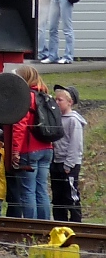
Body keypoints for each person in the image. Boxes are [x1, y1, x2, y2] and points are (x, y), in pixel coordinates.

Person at [9, 64, 54, 220]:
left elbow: (20, 125)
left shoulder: (26, 97)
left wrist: (15, 150)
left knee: (27, 191)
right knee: (41, 189)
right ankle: (45, 223)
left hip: (29, 149)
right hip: (47, 147)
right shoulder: (46, 95)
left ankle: (31, 224)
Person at [51, 84, 86, 222]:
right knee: (57, 197)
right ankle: (60, 223)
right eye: (56, 99)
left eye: (60, 100)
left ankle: (76, 223)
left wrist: (68, 164)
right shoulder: (57, 119)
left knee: (70, 196)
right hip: (56, 162)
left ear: (70, 102)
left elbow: (75, 145)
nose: (57, 102)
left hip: (68, 164)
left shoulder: (73, 120)